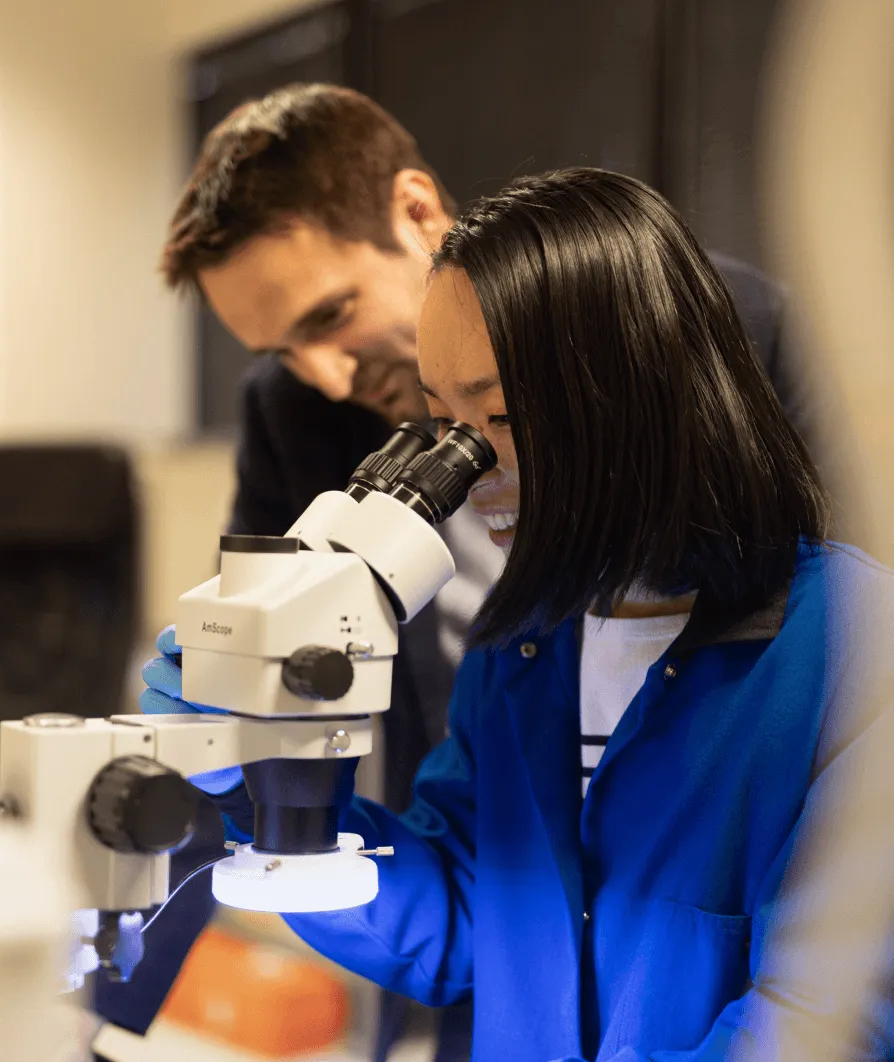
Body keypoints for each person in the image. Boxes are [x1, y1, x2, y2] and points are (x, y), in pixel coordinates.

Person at [95, 83, 826, 1058]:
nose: (324, 377)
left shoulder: (842, 649)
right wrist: (250, 791)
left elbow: (827, 1008)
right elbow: (465, 909)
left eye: (498, 418)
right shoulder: (520, 651)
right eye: (442, 424)